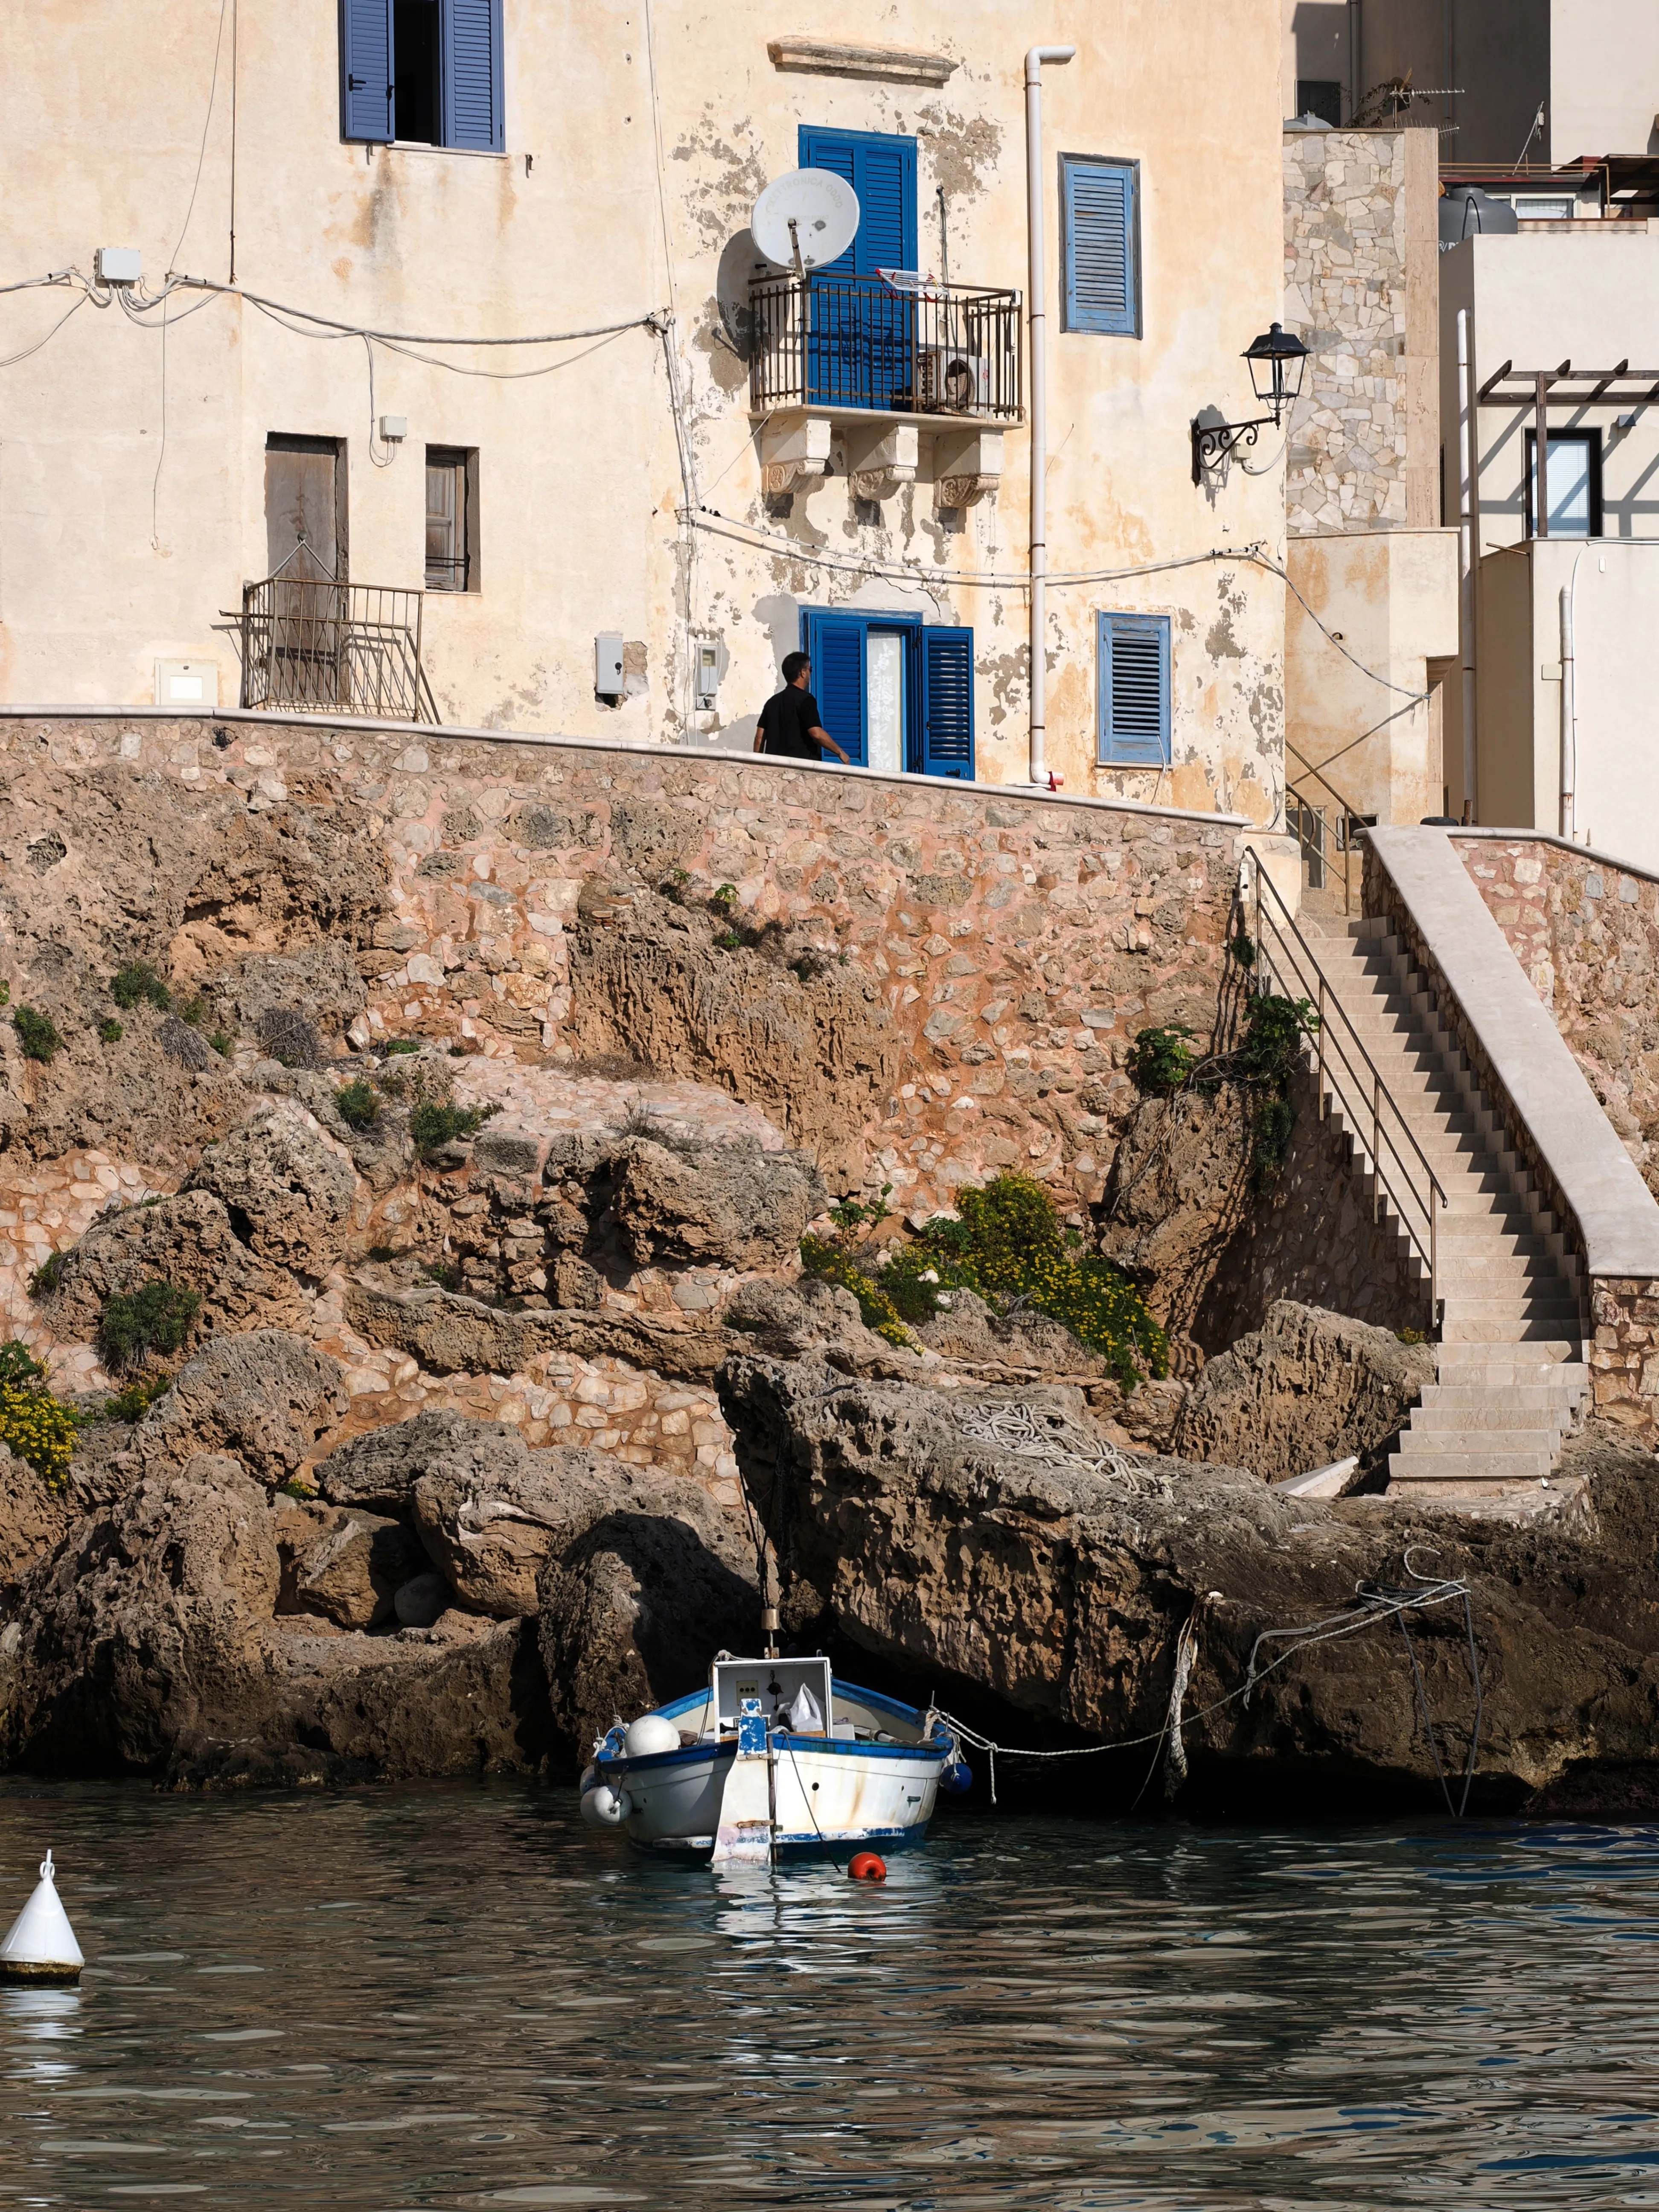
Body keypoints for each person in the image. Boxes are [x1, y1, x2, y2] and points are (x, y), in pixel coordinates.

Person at [753, 651, 852, 764]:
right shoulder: (806, 700)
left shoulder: (771, 703)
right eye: (810, 670)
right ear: (803, 673)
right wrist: (840, 752)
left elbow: (759, 738)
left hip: (775, 769)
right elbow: (816, 733)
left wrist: (758, 765)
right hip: (801, 768)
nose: (810, 673)